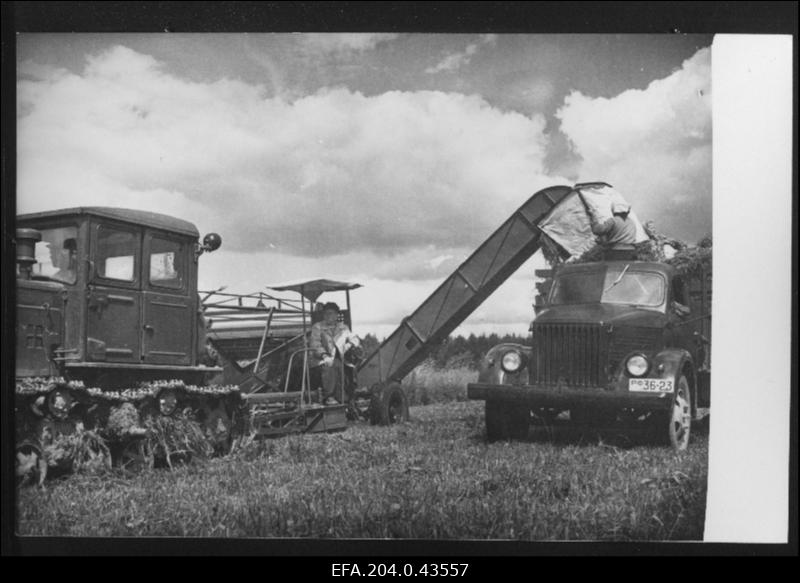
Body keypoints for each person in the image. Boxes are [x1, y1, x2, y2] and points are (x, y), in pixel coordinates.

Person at [308, 302, 360, 405]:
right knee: (331, 364)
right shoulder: (317, 327)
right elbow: (315, 344)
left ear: (337, 315)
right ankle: (329, 396)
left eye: (331, 313)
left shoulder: (343, 328)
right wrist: (324, 355)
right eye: (326, 313)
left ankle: (344, 398)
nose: (328, 316)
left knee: (344, 366)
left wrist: (349, 344)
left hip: (339, 359)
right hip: (320, 359)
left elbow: (354, 339)